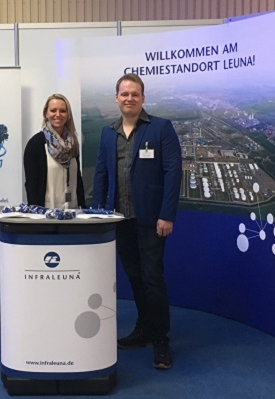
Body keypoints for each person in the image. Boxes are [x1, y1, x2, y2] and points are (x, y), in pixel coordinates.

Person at [92, 73, 182, 370]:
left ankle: (160, 339)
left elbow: (173, 173)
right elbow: (102, 175)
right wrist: (97, 215)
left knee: (153, 279)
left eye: (135, 93)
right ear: (116, 98)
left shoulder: (160, 129)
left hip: (151, 220)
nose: (129, 98)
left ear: (143, 98)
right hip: (121, 221)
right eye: (124, 94)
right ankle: (144, 329)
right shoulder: (109, 132)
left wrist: (167, 214)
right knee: (134, 277)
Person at [24, 93, 86, 209]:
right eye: (53, 110)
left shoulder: (73, 144)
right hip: (46, 215)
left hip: (73, 213)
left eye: (62, 111)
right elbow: (31, 185)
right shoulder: (35, 144)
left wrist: (83, 208)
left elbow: (78, 179)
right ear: (46, 114)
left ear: (68, 115)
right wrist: (37, 215)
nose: (58, 115)